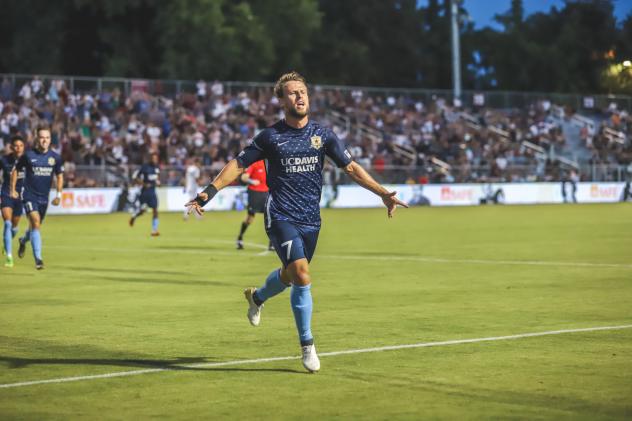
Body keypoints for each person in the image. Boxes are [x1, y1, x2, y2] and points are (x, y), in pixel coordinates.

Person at [186, 71, 407, 373]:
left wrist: (383, 193)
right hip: (280, 216)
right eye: (292, 93)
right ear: (281, 100)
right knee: (302, 275)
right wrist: (207, 192)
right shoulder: (270, 137)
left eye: (302, 91)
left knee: (291, 276)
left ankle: (257, 297)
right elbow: (238, 165)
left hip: (311, 220)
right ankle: (308, 346)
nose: (300, 97)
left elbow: (352, 168)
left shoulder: (323, 135)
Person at [10, 126, 64, 270]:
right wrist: (13, 189)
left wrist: (59, 195)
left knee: (35, 226)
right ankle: (38, 260)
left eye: (47, 137)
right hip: (29, 196)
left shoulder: (55, 158)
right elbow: (15, 171)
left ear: (50, 139)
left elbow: (59, 177)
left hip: (44, 199)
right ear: (36, 139)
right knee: (35, 222)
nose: (44, 140)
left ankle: (23, 240)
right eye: (41, 137)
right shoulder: (28, 156)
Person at [236, 159, 273, 250]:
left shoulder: (271, 163)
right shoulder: (255, 164)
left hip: (267, 193)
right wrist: (252, 182)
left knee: (271, 218)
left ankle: (272, 244)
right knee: (250, 219)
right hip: (255, 193)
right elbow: (244, 177)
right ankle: (240, 238)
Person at [1, 136, 26, 267]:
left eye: (21, 145)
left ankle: (6, 242)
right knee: (8, 223)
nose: (18, 148)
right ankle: (9, 257)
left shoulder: (27, 160)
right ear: (11, 147)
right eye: (16, 145)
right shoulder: (4, 160)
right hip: (6, 193)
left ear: (24, 147)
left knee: (15, 228)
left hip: (20, 197)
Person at [129, 153, 161, 236]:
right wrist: (144, 184)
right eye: (154, 159)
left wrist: (158, 182)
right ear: (150, 159)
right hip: (145, 192)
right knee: (142, 211)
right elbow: (135, 177)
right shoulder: (145, 167)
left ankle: (154, 230)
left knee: (155, 210)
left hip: (153, 192)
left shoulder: (156, 167)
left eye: (156, 159)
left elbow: (157, 178)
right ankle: (134, 216)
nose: (155, 160)